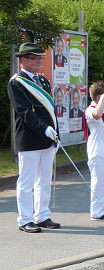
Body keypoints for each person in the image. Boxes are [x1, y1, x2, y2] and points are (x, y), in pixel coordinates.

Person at [7, 41, 61, 233]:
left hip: (47, 138)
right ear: (23, 61)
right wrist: (44, 128)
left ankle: (42, 215)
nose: (39, 61)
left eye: (40, 58)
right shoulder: (16, 83)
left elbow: (50, 111)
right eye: (34, 58)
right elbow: (24, 112)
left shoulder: (44, 81)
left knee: (44, 179)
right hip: (29, 138)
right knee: (27, 181)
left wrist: (55, 132)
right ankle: (24, 219)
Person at [85, 81, 104, 221]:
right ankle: (97, 212)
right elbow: (97, 115)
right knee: (99, 182)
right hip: (98, 152)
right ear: (99, 97)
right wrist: (101, 100)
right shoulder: (91, 110)